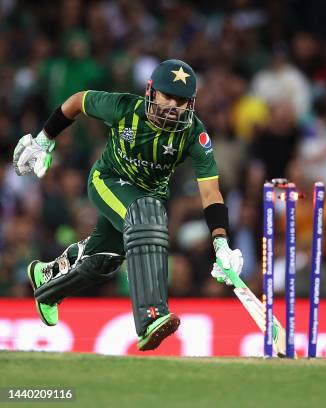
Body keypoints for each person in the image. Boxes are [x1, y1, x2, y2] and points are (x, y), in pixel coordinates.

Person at [12, 59, 243, 351]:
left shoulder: (194, 135)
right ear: (151, 92)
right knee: (147, 218)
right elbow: (77, 102)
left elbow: (211, 193)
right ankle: (151, 318)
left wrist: (221, 243)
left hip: (148, 198)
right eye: (167, 96)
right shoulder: (123, 107)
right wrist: (44, 139)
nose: (174, 106)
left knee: (103, 260)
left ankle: (46, 282)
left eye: (182, 101)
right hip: (107, 181)